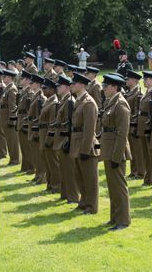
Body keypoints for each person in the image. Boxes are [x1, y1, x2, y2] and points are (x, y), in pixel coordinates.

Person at [100, 73, 131, 230]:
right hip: (109, 149)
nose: (103, 88)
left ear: (114, 87)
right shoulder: (111, 102)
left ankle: (123, 220)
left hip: (115, 151)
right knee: (112, 186)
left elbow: (122, 133)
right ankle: (115, 217)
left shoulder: (120, 104)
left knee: (119, 186)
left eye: (106, 86)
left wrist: (116, 156)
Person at [69, 72, 100, 215]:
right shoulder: (79, 100)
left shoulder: (88, 103)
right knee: (78, 176)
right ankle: (84, 201)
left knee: (89, 178)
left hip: (85, 143)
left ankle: (92, 206)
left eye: (74, 83)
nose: (71, 85)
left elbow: (89, 129)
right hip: (76, 141)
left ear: (81, 85)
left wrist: (85, 149)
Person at [53, 75, 79, 203]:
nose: (57, 88)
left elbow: (70, 123)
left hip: (66, 140)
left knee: (69, 170)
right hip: (61, 139)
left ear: (67, 87)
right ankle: (65, 194)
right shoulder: (63, 100)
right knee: (63, 169)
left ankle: (73, 196)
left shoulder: (69, 101)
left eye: (60, 85)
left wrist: (69, 141)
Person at [137, 71, 152, 187]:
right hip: (142, 126)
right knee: (145, 155)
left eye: (146, 79)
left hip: (149, 126)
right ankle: (148, 178)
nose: (144, 81)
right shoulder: (146, 93)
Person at [39, 78, 60, 193]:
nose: (42, 90)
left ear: (52, 90)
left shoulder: (54, 103)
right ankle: (50, 184)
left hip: (48, 136)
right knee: (47, 162)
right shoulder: (48, 101)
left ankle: (56, 185)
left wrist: (49, 139)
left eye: (45, 88)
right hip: (43, 134)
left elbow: (52, 124)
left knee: (53, 163)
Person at [28, 74, 47, 184]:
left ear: (38, 84)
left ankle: (42, 176)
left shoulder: (41, 98)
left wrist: (36, 131)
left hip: (37, 129)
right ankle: (37, 175)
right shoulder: (35, 96)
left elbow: (40, 117)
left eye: (32, 83)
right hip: (32, 127)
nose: (30, 85)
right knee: (35, 154)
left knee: (39, 155)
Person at [0, 69, 20, 166]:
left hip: (8, 119)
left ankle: (15, 160)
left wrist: (12, 119)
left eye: (5, 77)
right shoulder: (7, 88)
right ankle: (12, 159)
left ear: (10, 78)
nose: (3, 78)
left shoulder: (12, 89)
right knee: (9, 141)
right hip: (4, 118)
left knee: (13, 141)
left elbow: (12, 106)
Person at [124, 70, 143, 179]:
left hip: (134, 126)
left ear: (135, 80)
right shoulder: (129, 92)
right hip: (129, 125)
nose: (126, 80)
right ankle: (134, 170)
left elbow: (137, 111)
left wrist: (133, 123)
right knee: (132, 150)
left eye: (129, 79)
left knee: (137, 150)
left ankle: (140, 172)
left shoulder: (138, 93)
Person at [16, 70, 35, 174]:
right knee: (23, 147)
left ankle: (31, 168)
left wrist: (26, 124)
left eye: (22, 78)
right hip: (20, 120)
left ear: (27, 80)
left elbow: (29, 110)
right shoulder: (23, 91)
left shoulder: (29, 92)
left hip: (24, 121)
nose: (20, 80)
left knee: (27, 148)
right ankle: (25, 166)